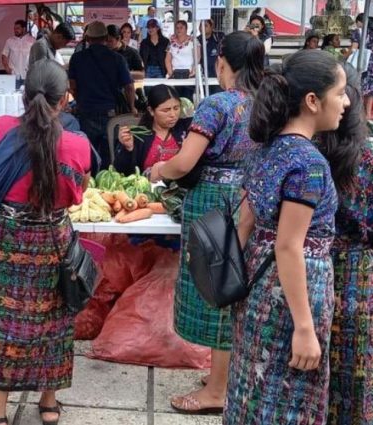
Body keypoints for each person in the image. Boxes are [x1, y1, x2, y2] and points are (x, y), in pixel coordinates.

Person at [0, 60, 91, 425]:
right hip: (52, 241)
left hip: (5, 239)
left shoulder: (4, 128)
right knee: (53, 319)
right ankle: (49, 405)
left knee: (2, 321)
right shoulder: (76, 146)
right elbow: (76, 193)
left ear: (23, 95)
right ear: (64, 100)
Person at [147, 31, 266, 415]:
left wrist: (158, 170)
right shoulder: (266, 103)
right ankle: (224, 374)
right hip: (251, 201)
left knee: (216, 289)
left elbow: (184, 162)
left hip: (215, 203)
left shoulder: (217, 105)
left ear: (220, 63)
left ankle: (217, 391)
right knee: (235, 287)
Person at [227, 49, 348, 424]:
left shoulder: (266, 149)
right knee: (289, 399)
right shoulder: (309, 164)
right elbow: (289, 245)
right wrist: (305, 327)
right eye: (340, 92)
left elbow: (244, 222)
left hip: (258, 286)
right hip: (292, 295)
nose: (345, 103)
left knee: (252, 391)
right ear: (312, 101)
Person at [319, 62, 373, 425]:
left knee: (312, 379)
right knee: (362, 381)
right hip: (364, 277)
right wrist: (369, 255)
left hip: (312, 270)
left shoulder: (306, 152)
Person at [69, 21, 137, 173]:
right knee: (110, 156)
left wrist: (79, 100)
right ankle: (106, 186)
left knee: (88, 154)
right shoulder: (117, 59)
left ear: (88, 38)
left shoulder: (77, 58)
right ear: (106, 37)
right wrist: (132, 107)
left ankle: (89, 186)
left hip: (86, 113)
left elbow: (72, 85)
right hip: (110, 115)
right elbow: (129, 87)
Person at [115, 84, 186, 174]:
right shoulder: (138, 136)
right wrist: (128, 149)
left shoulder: (185, 130)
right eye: (166, 110)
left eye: (176, 108)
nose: (173, 114)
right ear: (151, 111)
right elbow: (121, 173)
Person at [352, 13, 373, 115]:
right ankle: (368, 114)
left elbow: (353, 48)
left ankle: (359, 113)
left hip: (362, 61)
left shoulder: (358, 32)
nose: (356, 25)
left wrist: (344, 57)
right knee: (371, 89)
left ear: (360, 22)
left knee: (359, 87)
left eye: (357, 22)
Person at [165, 20, 198, 99]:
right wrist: (170, 73)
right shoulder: (171, 42)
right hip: (175, 74)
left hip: (189, 74)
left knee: (187, 98)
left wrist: (193, 71)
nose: (179, 30)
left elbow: (197, 57)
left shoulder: (193, 41)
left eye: (181, 28)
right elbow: (167, 59)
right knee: (176, 98)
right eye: (177, 28)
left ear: (186, 29)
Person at [198, 20, 225, 95]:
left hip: (217, 75)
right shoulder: (197, 40)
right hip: (203, 76)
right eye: (201, 25)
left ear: (211, 27)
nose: (202, 28)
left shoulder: (219, 38)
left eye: (205, 25)